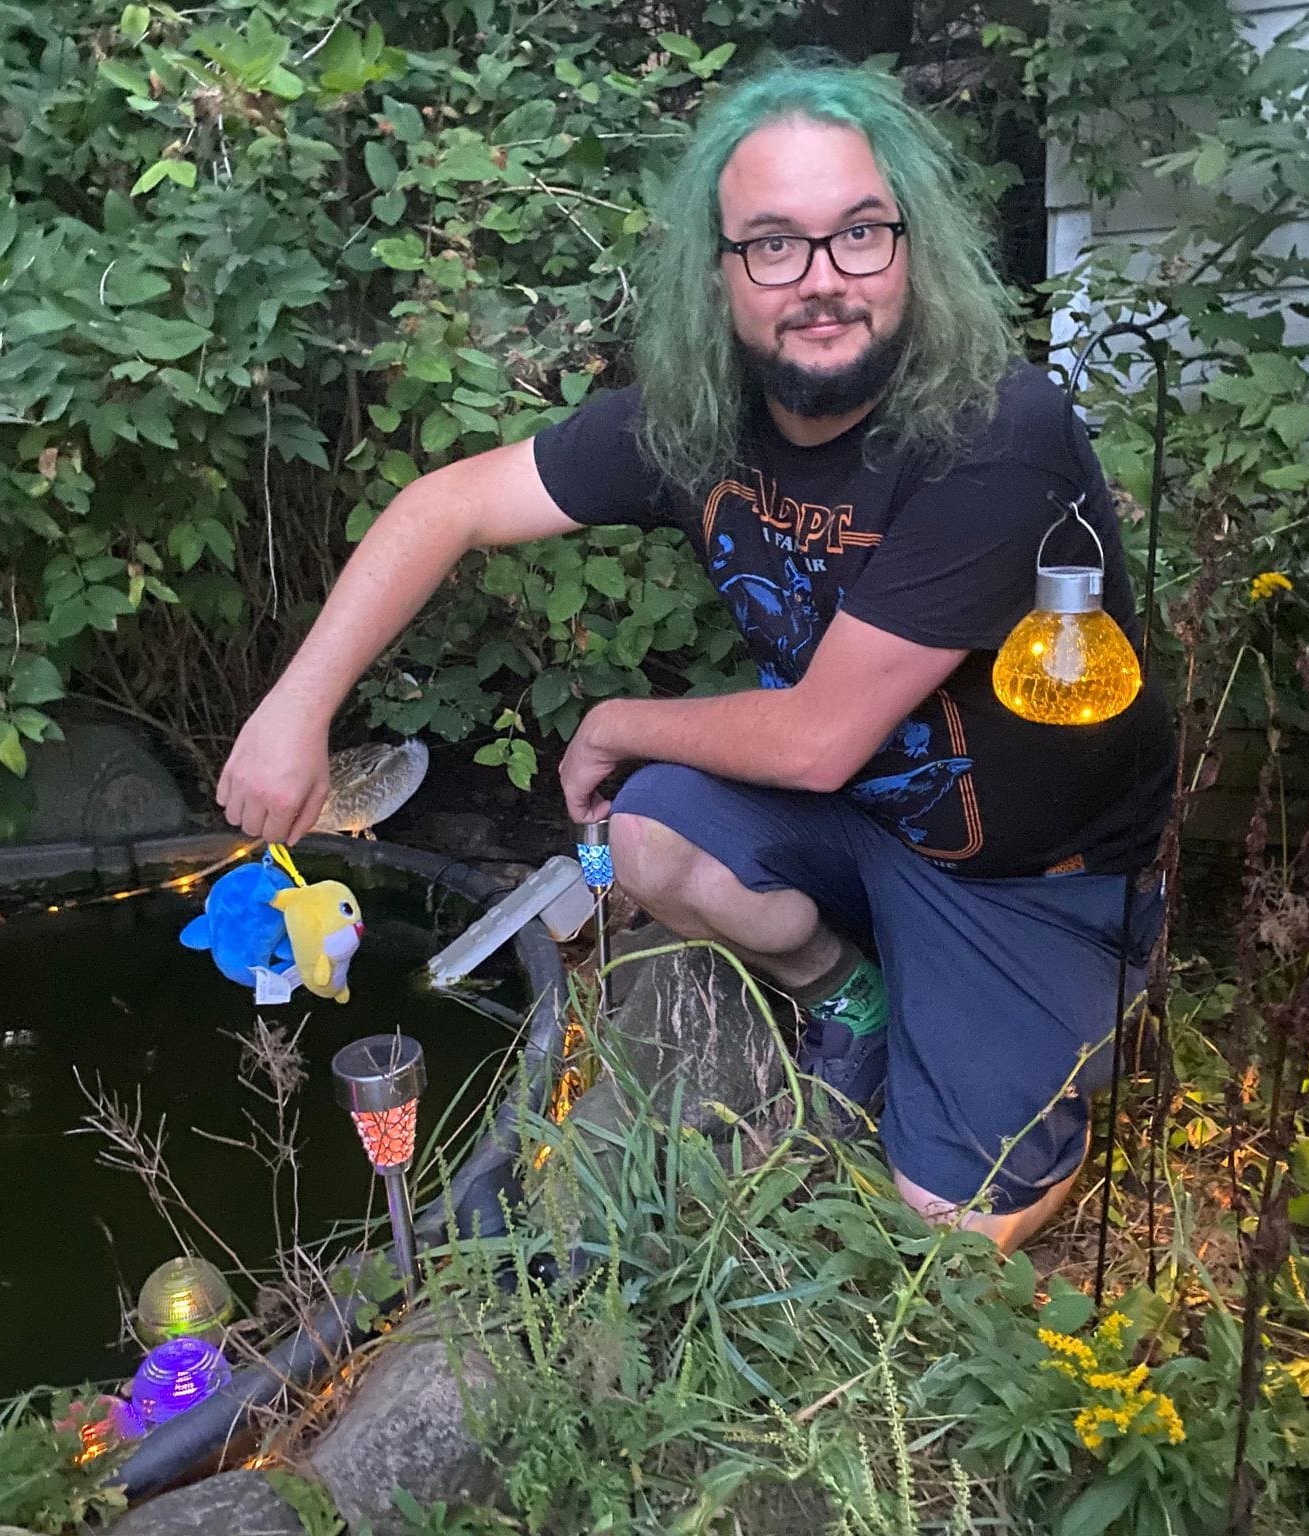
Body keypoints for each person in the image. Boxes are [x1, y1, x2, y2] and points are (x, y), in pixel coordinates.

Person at [217, 60, 1175, 1254]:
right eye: (772, 245)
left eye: (858, 236)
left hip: (1024, 873)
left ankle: (1071, 984)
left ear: (910, 249)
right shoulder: (691, 424)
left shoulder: (993, 433)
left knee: (948, 1223)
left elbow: (819, 741)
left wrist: (616, 721)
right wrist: (293, 709)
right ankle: (849, 995)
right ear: (718, 275)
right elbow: (442, 508)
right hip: (861, 827)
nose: (820, 282)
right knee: (648, 834)